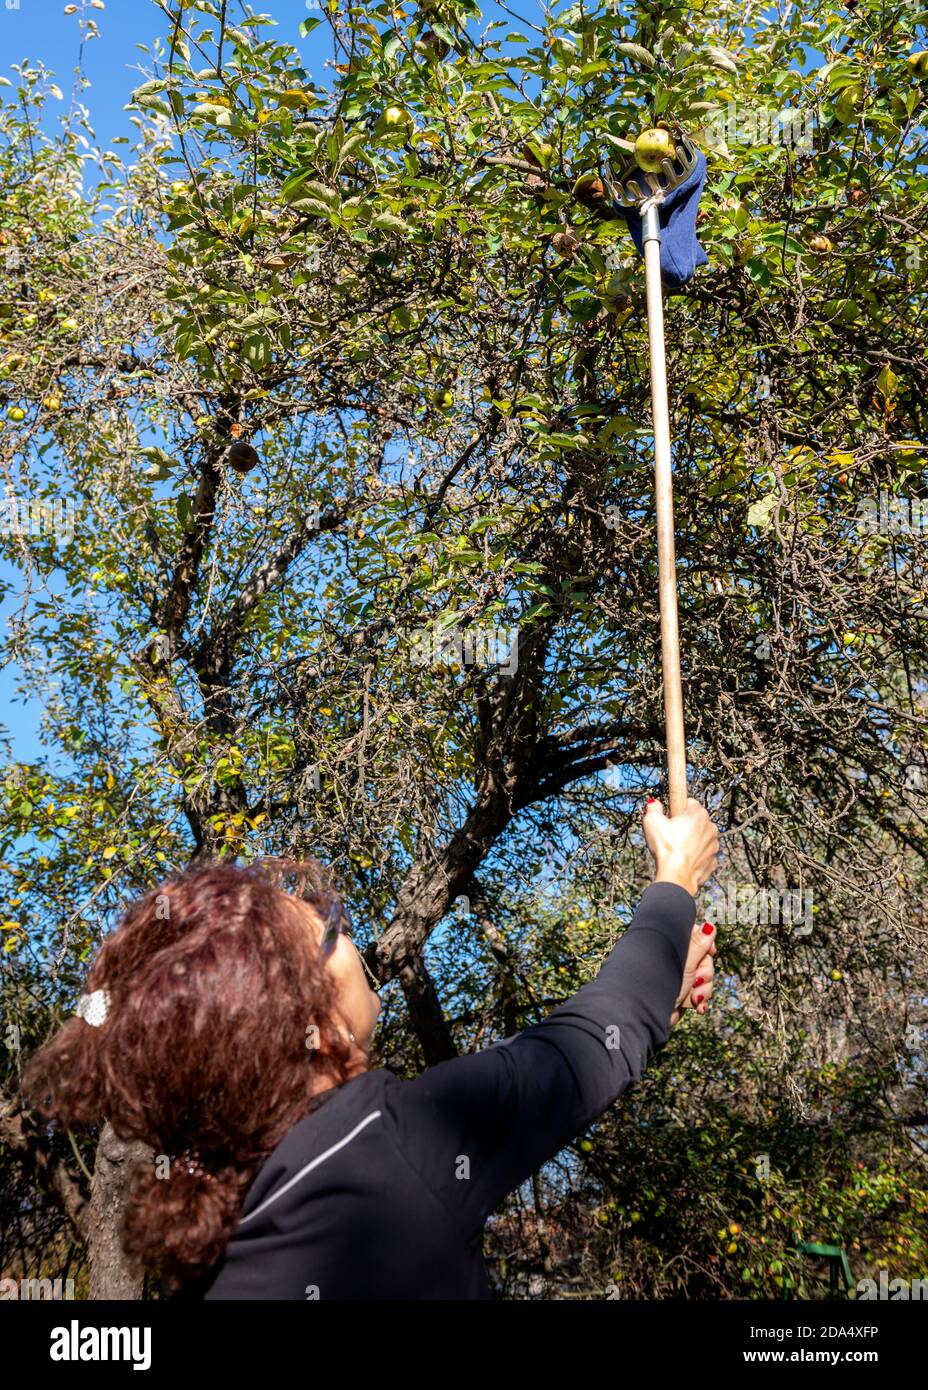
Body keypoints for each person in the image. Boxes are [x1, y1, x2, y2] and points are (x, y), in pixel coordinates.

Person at [22, 796, 719, 1300]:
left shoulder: (232, 1253)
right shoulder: (383, 1147)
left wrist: (656, 989)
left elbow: (613, 1030)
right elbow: (581, 1051)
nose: (344, 932)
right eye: (326, 931)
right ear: (313, 1027)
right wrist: (675, 880)